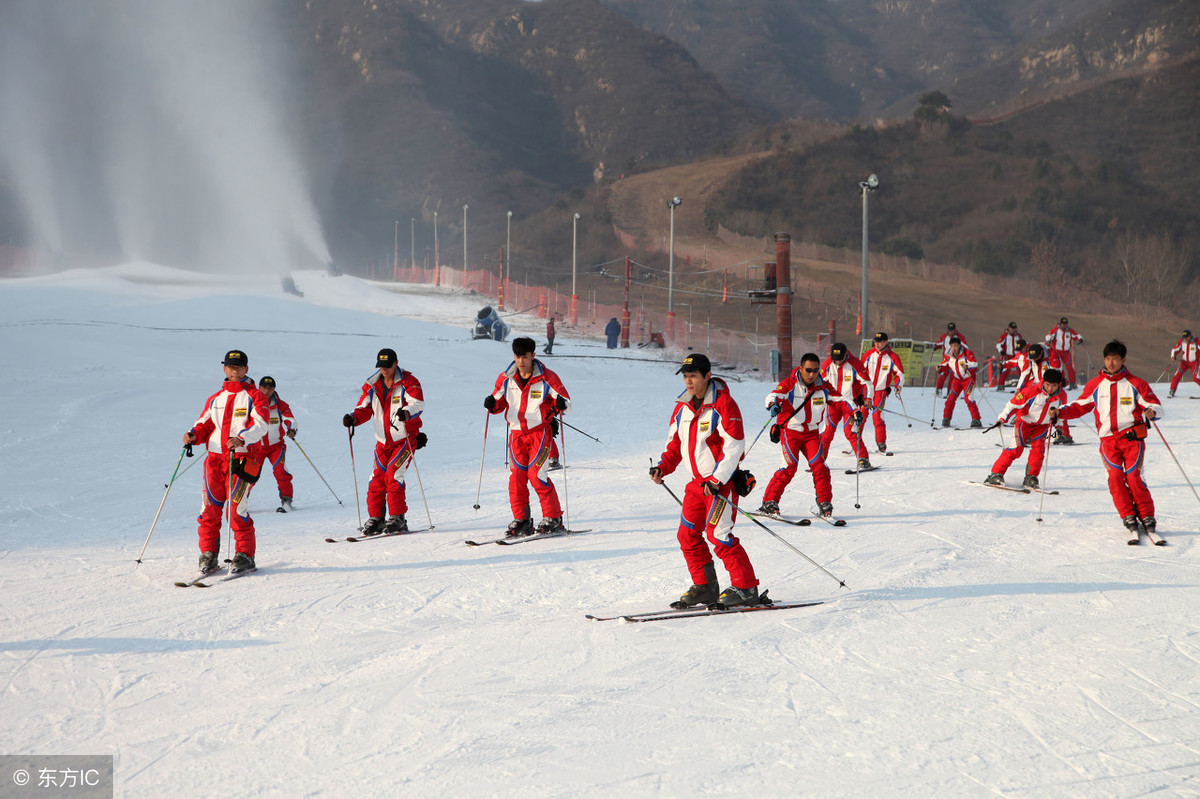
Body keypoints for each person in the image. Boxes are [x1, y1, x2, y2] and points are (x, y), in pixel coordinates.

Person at [650, 353, 760, 607]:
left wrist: (717, 479)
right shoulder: (682, 406)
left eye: (693, 376)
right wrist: (662, 468)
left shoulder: (723, 405)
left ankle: (746, 588)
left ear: (707, 376)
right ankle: (705, 587)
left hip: (719, 486)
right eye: (686, 376)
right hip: (696, 485)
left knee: (718, 534)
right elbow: (674, 445)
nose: (689, 381)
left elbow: (734, 447)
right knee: (687, 535)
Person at [1053, 340, 1163, 535]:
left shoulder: (1136, 383)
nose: (1111, 363)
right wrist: (1059, 412)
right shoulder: (1096, 384)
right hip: (1108, 441)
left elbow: (1153, 403)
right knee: (1114, 477)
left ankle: (1146, 514)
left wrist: (1152, 411)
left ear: (1123, 360)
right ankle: (1127, 513)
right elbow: (1079, 405)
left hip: (1132, 439)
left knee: (1134, 477)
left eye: (1115, 359)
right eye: (1108, 358)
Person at [183, 349, 271, 575]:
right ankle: (208, 554)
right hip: (214, 460)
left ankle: (244, 555)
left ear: (246, 369)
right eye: (230, 366)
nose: (234, 370)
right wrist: (194, 435)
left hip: (240, 459)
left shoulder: (255, 395)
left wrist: (242, 437)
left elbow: (261, 424)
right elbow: (205, 424)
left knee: (236, 508)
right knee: (209, 509)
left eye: (239, 366)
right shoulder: (216, 398)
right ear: (224, 368)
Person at [485, 337, 570, 535]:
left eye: (524, 356)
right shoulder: (506, 378)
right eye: (517, 356)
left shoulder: (547, 378)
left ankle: (553, 516)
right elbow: (498, 402)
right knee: (516, 477)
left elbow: (565, 400)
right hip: (516, 435)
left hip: (539, 433)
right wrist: (492, 404)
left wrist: (560, 405)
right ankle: (522, 519)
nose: (521, 361)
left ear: (533, 355)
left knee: (536, 474)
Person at [342, 348, 425, 535]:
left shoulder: (408, 382)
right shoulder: (372, 385)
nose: (385, 370)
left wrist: (407, 413)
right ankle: (377, 518)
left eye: (388, 366)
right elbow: (363, 408)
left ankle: (398, 518)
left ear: (396, 363)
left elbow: (417, 404)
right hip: (382, 442)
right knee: (376, 479)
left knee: (393, 475)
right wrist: (353, 418)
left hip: (404, 439)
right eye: (381, 366)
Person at [758, 352, 834, 517]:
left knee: (820, 467)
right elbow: (773, 396)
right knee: (789, 467)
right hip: (791, 433)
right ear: (800, 368)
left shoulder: (823, 386)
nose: (812, 374)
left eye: (815, 370)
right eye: (808, 370)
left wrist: (855, 409)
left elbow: (840, 398)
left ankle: (824, 502)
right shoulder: (789, 384)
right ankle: (769, 502)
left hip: (812, 434)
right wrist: (773, 405)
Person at [983, 368, 1067, 490]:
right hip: (1024, 423)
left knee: (1038, 451)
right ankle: (996, 473)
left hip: (1042, 426)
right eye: (1047, 385)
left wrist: (1058, 425)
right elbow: (1013, 404)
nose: (1050, 389)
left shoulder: (1062, 396)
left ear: (1058, 385)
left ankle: (1031, 477)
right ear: (1043, 381)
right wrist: (1002, 418)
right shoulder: (1031, 391)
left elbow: (1062, 412)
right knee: (1016, 449)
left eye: (1053, 386)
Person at [820, 342, 873, 469]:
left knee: (850, 431)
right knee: (827, 432)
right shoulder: (827, 364)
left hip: (850, 405)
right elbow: (820, 382)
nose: (837, 362)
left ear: (846, 355)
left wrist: (868, 398)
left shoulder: (855, 364)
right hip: (833, 404)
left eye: (840, 359)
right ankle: (819, 460)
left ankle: (863, 458)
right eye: (835, 359)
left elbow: (867, 383)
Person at [257, 376, 297, 511]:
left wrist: (291, 429)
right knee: (249, 475)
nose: (266, 391)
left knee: (281, 472)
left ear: (274, 389)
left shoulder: (280, 405)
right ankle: (239, 501)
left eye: (270, 388)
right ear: (259, 388)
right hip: (256, 447)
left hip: (276, 446)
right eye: (264, 388)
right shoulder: (252, 403)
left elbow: (289, 418)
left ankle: (287, 500)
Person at [862, 332, 905, 453]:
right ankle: (855, 443)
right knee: (860, 415)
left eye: (879, 342)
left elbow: (899, 373)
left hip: (880, 392)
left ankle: (881, 443)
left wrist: (898, 385)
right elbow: (860, 371)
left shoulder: (892, 357)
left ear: (886, 342)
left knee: (877, 416)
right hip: (866, 390)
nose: (877, 344)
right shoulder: (869, 355)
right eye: (875, 341)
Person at [940, 337, 981, 428]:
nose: (953, 348)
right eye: (952, 346)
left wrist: (968, 366)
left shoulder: (967, 353)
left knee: (968, 398)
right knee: (950, 399)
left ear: (959, 346)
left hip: (969, 379)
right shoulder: (948, 355)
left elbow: (975, 364)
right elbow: (944, 365)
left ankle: (976, 419)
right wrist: (939, 368)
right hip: (957, 380)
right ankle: (946, 418)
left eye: (955, 346)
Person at [1045, 317, 1084, 389]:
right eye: (1063, 324)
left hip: (1065, 352)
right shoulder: (1056, 330)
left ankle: (1072, 383)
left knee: (1070, 368)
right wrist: (1050, 339)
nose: (1064, 326)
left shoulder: (1069, 331)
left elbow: (1076, 335)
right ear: (1060, 324)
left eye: (1065, 324)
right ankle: (1058, 383)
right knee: (1057, 368)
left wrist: (1080, 338)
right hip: (1056, 352)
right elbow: (1048, 336)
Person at [933, 323, 967, 396]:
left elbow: (965, 346)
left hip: (955, 359)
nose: (951, 332)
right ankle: (938, 390)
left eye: (952, 330)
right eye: (949, 330)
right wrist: (935, 346)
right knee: (943, 373)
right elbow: (939, 343)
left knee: (953, 375)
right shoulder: (944, 336)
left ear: (955, 329)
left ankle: (950, 392)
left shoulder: (960, 337)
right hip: (946, 358)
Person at [1168, 329, 1199, 398]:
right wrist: (1173, 356)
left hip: (1194, 362)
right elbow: (1175, 349)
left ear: (1190, 335)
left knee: (1196, 378)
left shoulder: (1196, 341)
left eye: (1187, 336)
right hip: (1184, 362)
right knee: (1177, 375)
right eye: (1184, 337)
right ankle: (1172, 390)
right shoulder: (1182, 342)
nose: (1186, 338)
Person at [994, 322, 1023, 389]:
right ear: (1009, 328)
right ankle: (1000, 385)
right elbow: (998, 345)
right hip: (1007, 356)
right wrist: (1001, 351)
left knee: (1021, 369)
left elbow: (1022, 344)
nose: (1013, 330)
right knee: (1005, 370)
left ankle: (1023, 386)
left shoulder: (1018, 336)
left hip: (1017, 355)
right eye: (1012, 328)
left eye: (1015, 329)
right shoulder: (1004, 336)